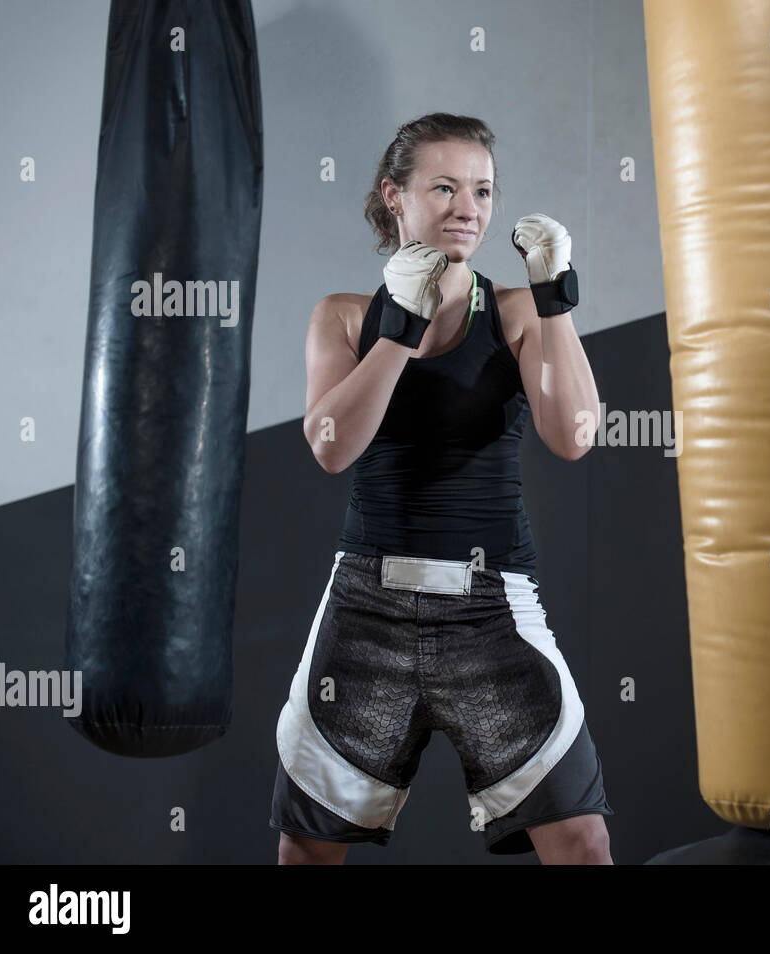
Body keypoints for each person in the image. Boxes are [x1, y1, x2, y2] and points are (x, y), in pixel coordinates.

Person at [268, 113, 612, 864]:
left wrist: (556, 298)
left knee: (582, 840)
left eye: (483, 190)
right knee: (309, 850)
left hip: (490, 606)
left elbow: (576, 436)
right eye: (446, 187)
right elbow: (331, 448)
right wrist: (398, 327)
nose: (469, 208)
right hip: (366, 603)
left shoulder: (518, 312)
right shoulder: (345, 317)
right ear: (396, 196)